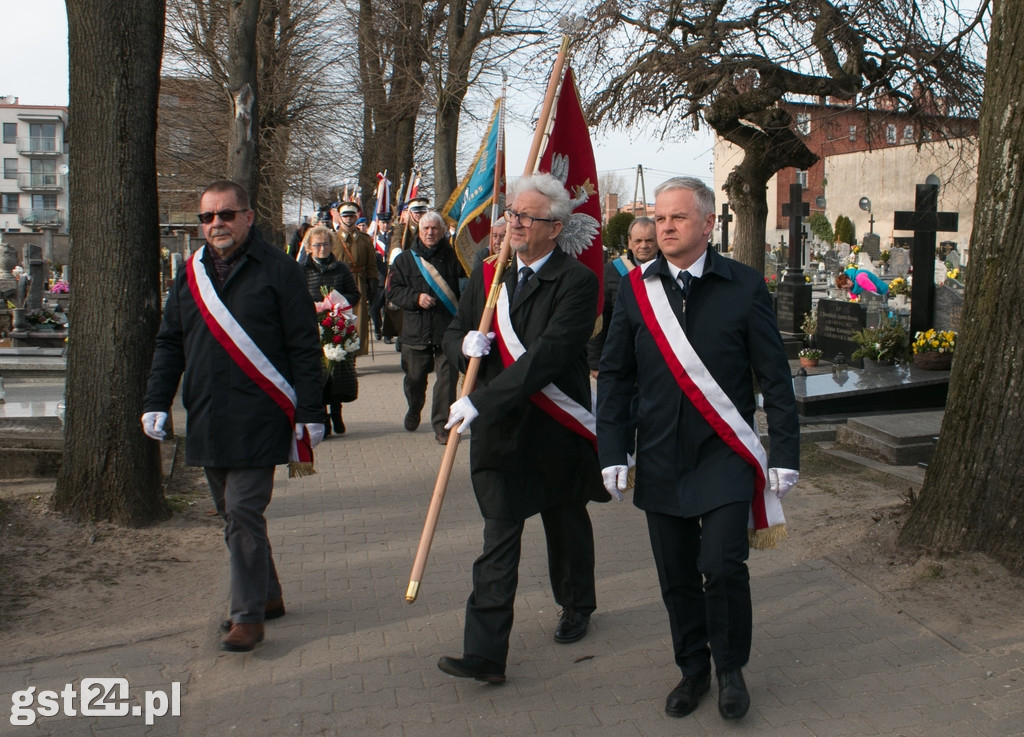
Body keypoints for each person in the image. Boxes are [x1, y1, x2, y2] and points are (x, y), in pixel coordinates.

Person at [596, 177, 799, 721]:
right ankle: (693, 669)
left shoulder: (744, 286)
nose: (665, 227)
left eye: (678, 218)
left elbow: (775, 377)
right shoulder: (636, 291)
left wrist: (785, 453)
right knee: (677, 574)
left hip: (725, 456)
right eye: (660, 218)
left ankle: (731, 669)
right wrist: (613, 450)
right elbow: (614, 376)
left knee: (724, 566)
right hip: (659, 455)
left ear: (708, 223)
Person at [436, 173, 610, 684]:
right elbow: (453, 332)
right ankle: (486, 654)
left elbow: (548, 359)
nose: (511, 223)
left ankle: (577, 604)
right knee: (498, 537)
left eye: (525, 217)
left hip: (554, 426)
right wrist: (463, 346)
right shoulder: (488, 276)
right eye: (511, 213)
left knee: (565, 523)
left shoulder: (579, 283)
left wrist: (479, 401)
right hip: (500, 433)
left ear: (554, 228)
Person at [141, 180, 324, 653]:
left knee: (243, 510)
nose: (216, 224)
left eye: (226, 214)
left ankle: (245, 616)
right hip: (206, 414)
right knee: (231, 513)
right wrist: (156, 400)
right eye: (207, 217)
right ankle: (268, 595)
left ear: (248, 216)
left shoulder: (281, 270)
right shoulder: (189, 274)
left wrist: (311, 411)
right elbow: (168, 343)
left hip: (260, 416)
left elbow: (305, 346)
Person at [386, 211, 464, 444]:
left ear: (442, 231)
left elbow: (465, 288)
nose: (430, 233)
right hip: (415, 331)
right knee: (415, 379)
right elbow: (393, 291)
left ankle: (442, 426)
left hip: (446, 331)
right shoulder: (404, 260)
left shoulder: (455, 257)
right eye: (425, 229)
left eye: (435, 229)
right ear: (418, 231)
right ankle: (414, 407)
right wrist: (415, 297)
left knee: (447, 381)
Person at [302, 226, 360, 437]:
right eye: (317, 245)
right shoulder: (302, 270)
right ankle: (323, 416)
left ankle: (337, 411)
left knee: (339, 372)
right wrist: (314, 307)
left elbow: (355, 294)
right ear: (309, 247)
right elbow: (295, 298)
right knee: (319, 373)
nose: (322, 249)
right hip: (313, 328)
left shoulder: (341, 269)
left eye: (326, 244)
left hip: (338, 325)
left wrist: (339, 304)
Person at [587, 215, 659, 374]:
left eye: (649, 240)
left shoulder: (670, 270)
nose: (644, 246)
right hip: (621, 360)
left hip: (661, 360)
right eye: (638, 241)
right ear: (629, 243)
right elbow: (600, 318)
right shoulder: (611, 272)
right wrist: (595, 362)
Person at [332, 201, 378, 357]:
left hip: (358, 282)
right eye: (345, 216)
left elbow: (371, 264)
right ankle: (339, 353)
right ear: (340, 218)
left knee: (358, 320)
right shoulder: (332, 239)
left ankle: (355, 353)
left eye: (352, 216)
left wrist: (373, 283)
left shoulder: (364, 239)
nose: (349, 219)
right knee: (339, 320)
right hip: (338, 284)